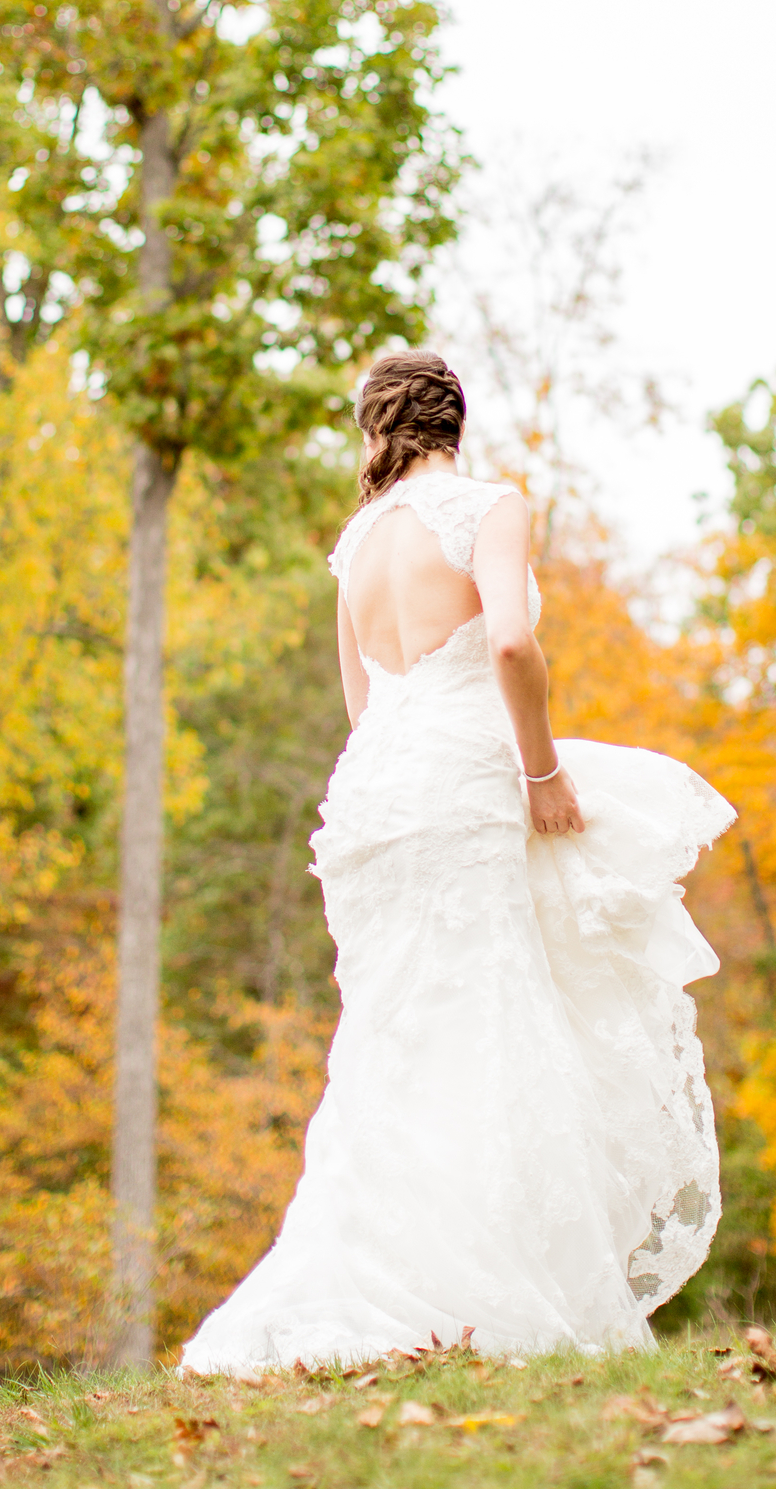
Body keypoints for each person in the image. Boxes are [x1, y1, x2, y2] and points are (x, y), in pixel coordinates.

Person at [180, 350, 731, 1374]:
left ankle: (373, 1281)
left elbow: (364, 708)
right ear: (456, 424)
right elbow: (514, 648)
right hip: (463, 784)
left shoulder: (354, 545)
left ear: (375, 431)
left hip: (376, 796)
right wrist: (542, 774)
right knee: (488, 1017)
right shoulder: (488, 507)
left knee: (392, 1038)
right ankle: (488, 1293)